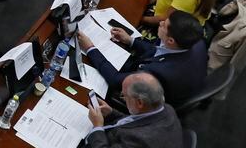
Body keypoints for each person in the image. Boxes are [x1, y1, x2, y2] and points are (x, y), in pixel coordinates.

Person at [71, 73, 183, 148]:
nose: (123, 98)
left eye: (124, 95)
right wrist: (111, 113)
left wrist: (98, 126)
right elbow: (136, 122)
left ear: (139, 103)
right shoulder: (165, 109)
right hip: (116, 147)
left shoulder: (142, 142)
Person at [79, 11, 207, 105]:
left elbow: (115, 80)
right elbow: (159, 50)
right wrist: (131, 41)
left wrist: (90, 48)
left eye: (164, 25)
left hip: (152, 97)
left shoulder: (159, 72)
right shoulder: (195, 42)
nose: (160, 23)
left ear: (171, 40)